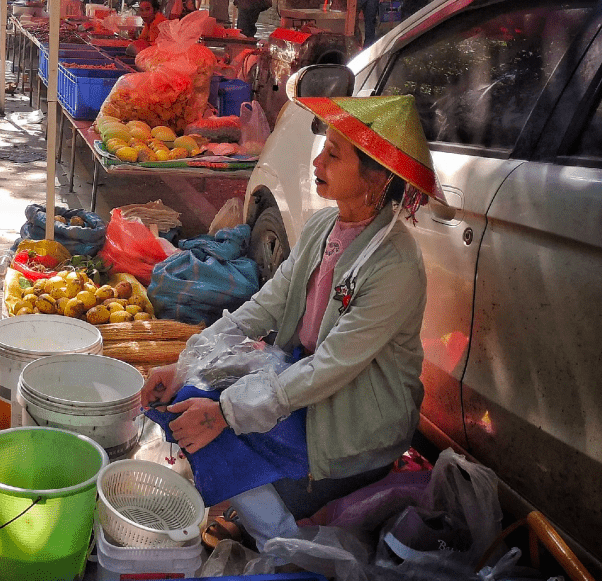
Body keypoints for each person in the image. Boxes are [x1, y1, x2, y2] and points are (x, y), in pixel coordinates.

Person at [142, 94, 444, 552]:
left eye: (335, 155)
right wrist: (185, 367)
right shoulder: (324, 226)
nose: (318, 161)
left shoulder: (395, 264)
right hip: (301, 386)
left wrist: (226, 413)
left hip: (351, 422)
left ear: (376, 178)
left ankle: (285, 544)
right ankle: (270, 522)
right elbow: (264, 306)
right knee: (185, 401)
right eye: (324, 149)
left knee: (210, 426)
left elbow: (332, 368)